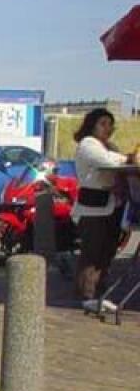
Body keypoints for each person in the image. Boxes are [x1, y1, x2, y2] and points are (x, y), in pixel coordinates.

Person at [70, 108, 138, 309]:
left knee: (107, 252)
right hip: (94, 208)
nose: (107, 128)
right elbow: (106, 161)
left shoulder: (109, 146)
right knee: (92, 253)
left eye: (110, 125)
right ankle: (86, 295)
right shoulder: (88, 144)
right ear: (92, 125)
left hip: (112, 206)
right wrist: (127, 158)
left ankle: (100, 291)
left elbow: (118, 158)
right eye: (103, 124)